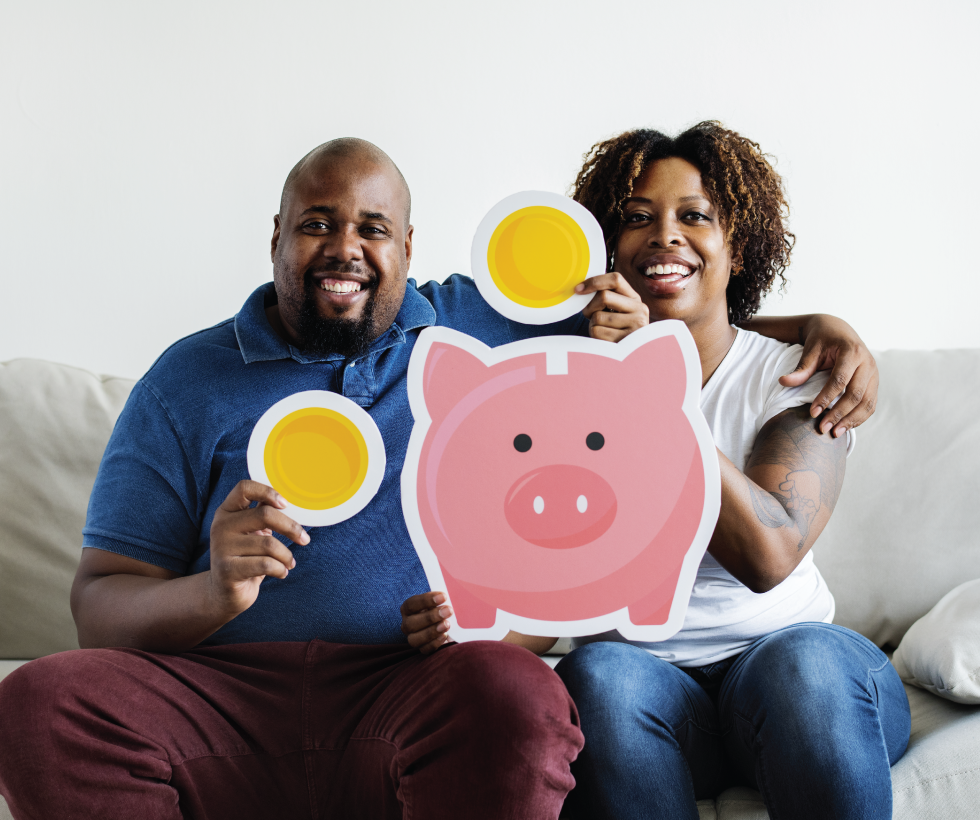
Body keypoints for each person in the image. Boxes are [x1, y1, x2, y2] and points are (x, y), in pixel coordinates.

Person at [0, 136, 878, 820]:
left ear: (409, 247)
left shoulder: (491, 323)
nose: (345, 248)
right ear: (275, 236)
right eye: (316, 223)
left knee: (519, 691)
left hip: (410, 692)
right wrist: (212, 592)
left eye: (372, 228)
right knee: (38, 701)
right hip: (227, 699)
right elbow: (99, 607)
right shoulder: (185, 379)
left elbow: (679, 289)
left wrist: (826, 326)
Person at [549, 122, 908, 819]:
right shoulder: (561, 380)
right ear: (605, 247)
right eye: (636, 218)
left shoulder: (799, 372)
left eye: (695, 216)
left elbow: (768, 553)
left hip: (802, 681)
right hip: (651, 691)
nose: (665, 235)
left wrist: (650, 392)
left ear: (737, 246)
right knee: (598, 675)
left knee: (805, 665)